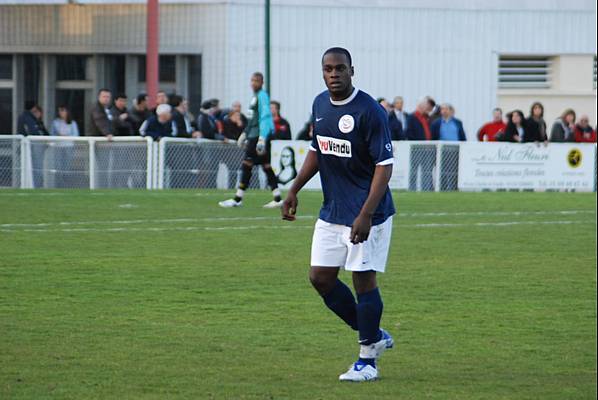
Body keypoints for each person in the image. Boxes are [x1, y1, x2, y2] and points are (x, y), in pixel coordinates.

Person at [282, 47, 395, 382]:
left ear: (351, 71)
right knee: (320, 278)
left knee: (363, 280)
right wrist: (294, 188)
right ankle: (373, 333)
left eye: (340, 69)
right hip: (332, 211)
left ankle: (367, 361)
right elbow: (318, 149)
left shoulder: (370, 111)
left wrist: (365, 214)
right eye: (328, 69)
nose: (334, 74)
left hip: (366, 213)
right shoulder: (319, 104)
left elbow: (384, 167)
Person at [218, 72, 281, 209]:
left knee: (247, 164)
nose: (253, 83)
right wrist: (245, 133)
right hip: (253, 134)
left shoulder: (262, 96)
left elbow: (264, 117)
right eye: (252, 80)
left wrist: (262, 137)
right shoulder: (255, 97)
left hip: (257, 136)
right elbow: (253, 119)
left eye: (256, 81)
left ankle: (237, 198)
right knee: (266, 166)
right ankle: (277, 198)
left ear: (262, 82)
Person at [18, 102, 49, 188]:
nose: (37, 114)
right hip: (33, 147)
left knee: (36, 168)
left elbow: (45, 133)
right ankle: (34, 185)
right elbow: (32, 133)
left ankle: (35, 184)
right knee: (35, 168)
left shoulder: (37, 121)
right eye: (35, 111)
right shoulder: (27, 118)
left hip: (37, 147)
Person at [50, 105, 79, 187]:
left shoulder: (72, 123)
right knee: (58, 166)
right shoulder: (55, 122)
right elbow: (52, 134)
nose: (61, 113)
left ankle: (66, 184)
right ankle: (58, 184)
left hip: (68, 146)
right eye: (59, 111)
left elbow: (76, 135)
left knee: (67, 166)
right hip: (58, 146)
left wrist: (66, 136)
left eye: (62, 110)